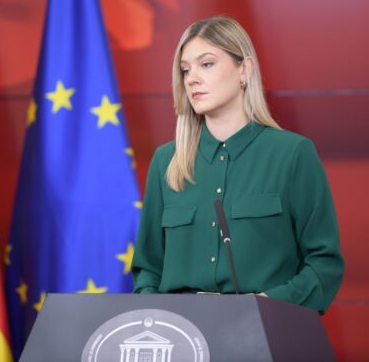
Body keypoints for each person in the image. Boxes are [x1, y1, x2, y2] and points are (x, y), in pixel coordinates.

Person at [131, 16, 344, 314]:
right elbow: (148, 270)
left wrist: (266, 308)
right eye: (185, 69)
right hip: (183, 332)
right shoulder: (166, 161)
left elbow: (323, 264)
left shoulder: (293, 154)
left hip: (264, 330)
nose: (192, 78)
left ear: (244, 69)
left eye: (206, 64)